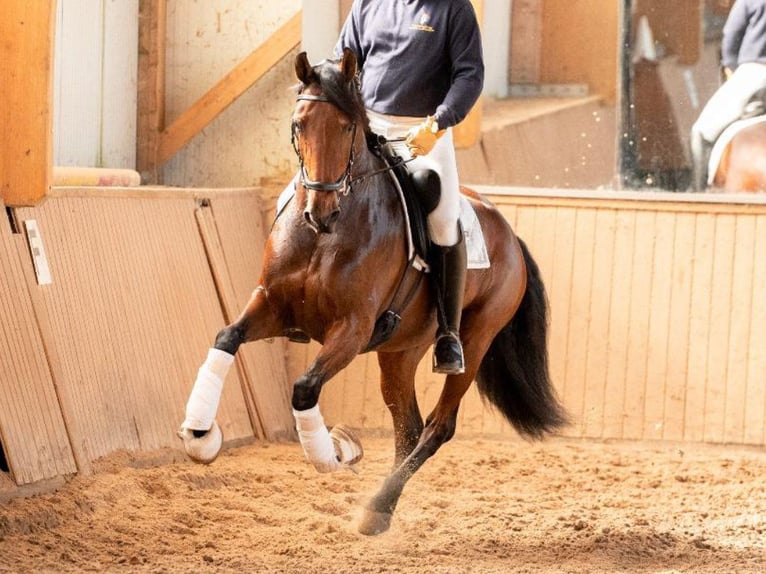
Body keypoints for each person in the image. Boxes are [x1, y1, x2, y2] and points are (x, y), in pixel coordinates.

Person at [335, 0, 484, 374]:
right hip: (367, 127)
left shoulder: (454, 9)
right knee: (320, 190)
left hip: (422, 132)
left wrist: (438, 124)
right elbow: (343, 62)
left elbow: (469, 75)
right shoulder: (368, 4)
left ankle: (448, 334)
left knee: (444, 218)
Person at [690, 0, 766, 191]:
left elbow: (732, 36)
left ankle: (698, 194)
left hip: (754, 73)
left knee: (701, 132)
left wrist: (731, 67)